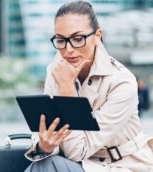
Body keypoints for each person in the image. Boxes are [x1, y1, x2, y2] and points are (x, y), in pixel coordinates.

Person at [24, 1, 153, 172]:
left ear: (97, 35)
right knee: (43, 162)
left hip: (124, 165)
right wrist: (45, 146)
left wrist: (67, 88)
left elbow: (77, 151)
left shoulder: (122, 81)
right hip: (80, 164)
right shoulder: (56, 70)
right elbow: (52, 132)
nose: (68, 49)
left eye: (78, 39)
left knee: (49, 165)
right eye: (61, 40)